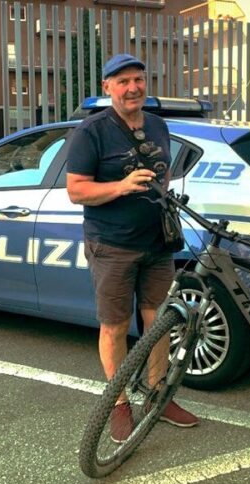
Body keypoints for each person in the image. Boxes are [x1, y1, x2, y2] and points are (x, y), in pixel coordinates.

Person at [66, 53, 198, 443]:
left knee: (158, 324)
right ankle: (119, 403)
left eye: (138, 79)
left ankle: (156, 394)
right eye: (122, 81)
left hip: (157, 243)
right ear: (107, 87)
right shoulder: (91, 132)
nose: (132, 87)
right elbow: (76, 191)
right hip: (112, 245)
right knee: (115, 326)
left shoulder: (158, 125)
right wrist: (121, 187)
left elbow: (164, 173)